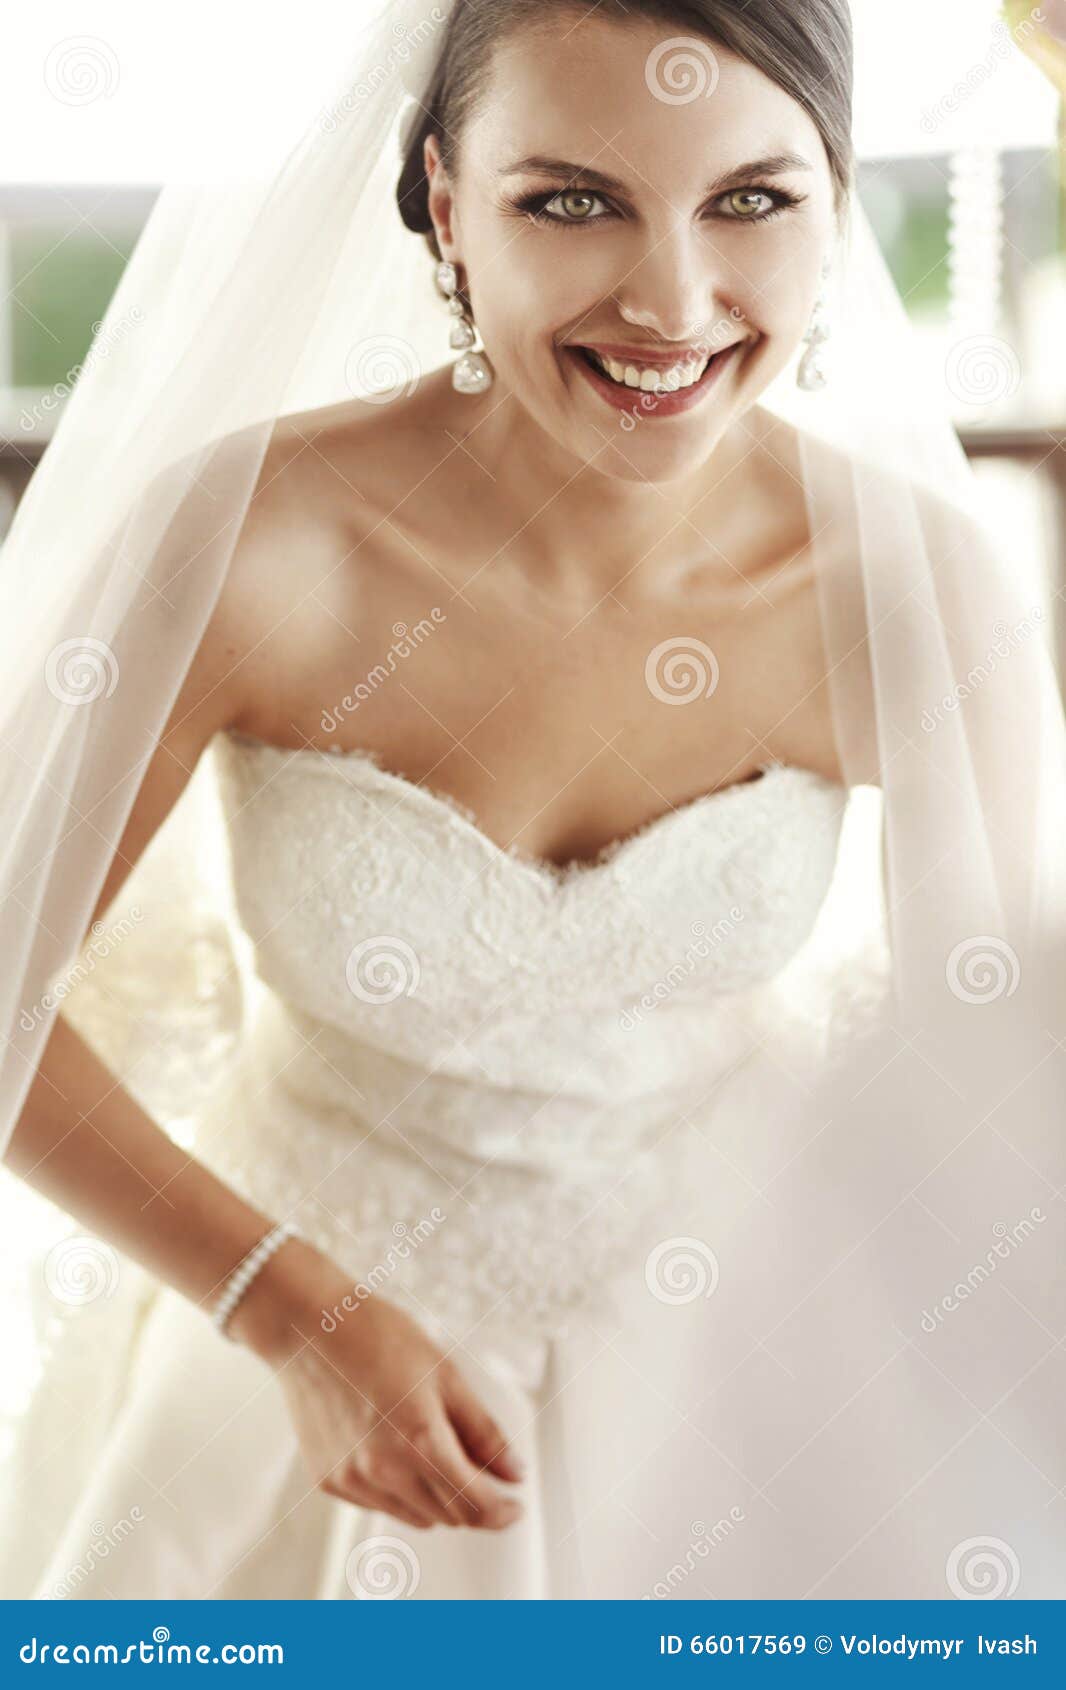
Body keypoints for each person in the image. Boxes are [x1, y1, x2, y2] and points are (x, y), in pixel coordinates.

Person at [0, 0, 1063, 1601]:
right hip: (278, 1361)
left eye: (750, 200)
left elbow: (989, 1136)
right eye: (571, 200)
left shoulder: (911, 582)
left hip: (738, 1372)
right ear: (442, 201)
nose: (670, 299)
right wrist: (292, 1307)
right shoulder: (245, 539)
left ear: (833, 202)